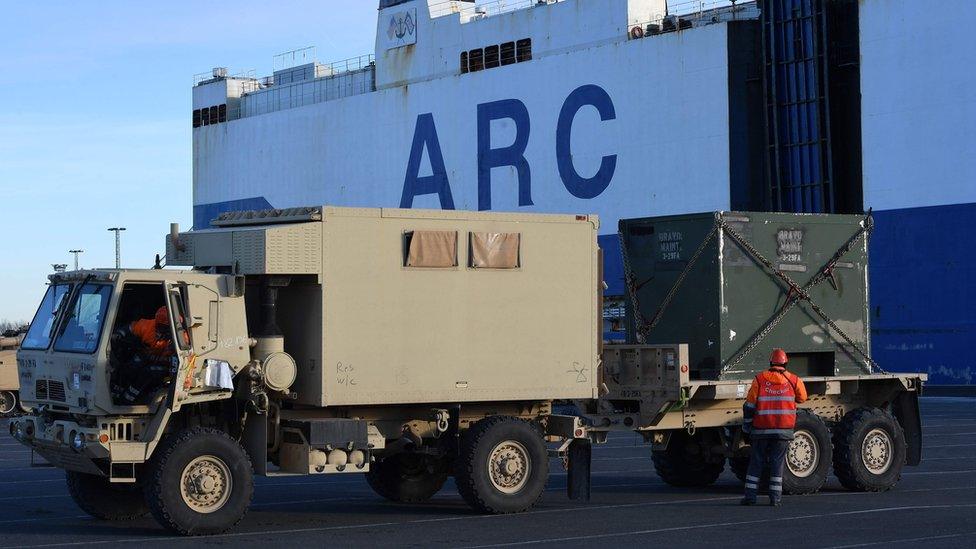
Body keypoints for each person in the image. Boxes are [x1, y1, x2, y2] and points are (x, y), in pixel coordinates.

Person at [740, 348, 807, 506]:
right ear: (785, 363)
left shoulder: (760, 379)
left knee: (756, 462)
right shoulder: (794, 380)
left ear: (771, 362)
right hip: (783, 431)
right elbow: (802, 398)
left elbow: (749, 406)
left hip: (761, 430)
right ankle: (775, 499)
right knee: (777, 464)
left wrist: (747, 428)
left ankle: (750, 497)